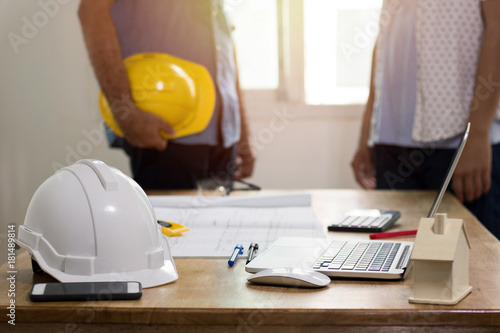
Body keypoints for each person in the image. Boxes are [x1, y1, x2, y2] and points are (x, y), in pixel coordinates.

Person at [351, 0, 500, 239]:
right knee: (396, 260)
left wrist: (478, 133)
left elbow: (498, 27)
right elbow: (384, 38)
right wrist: (367, 132)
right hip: (391, 143)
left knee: (471, 264)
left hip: (457, 143)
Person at [78, 0, 256, 190]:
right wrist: (126, 113)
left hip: (224, 137)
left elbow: (222, 42)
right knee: (166, 220)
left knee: (217, 220)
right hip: (163, 132)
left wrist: (242, 133)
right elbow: (91, 10)